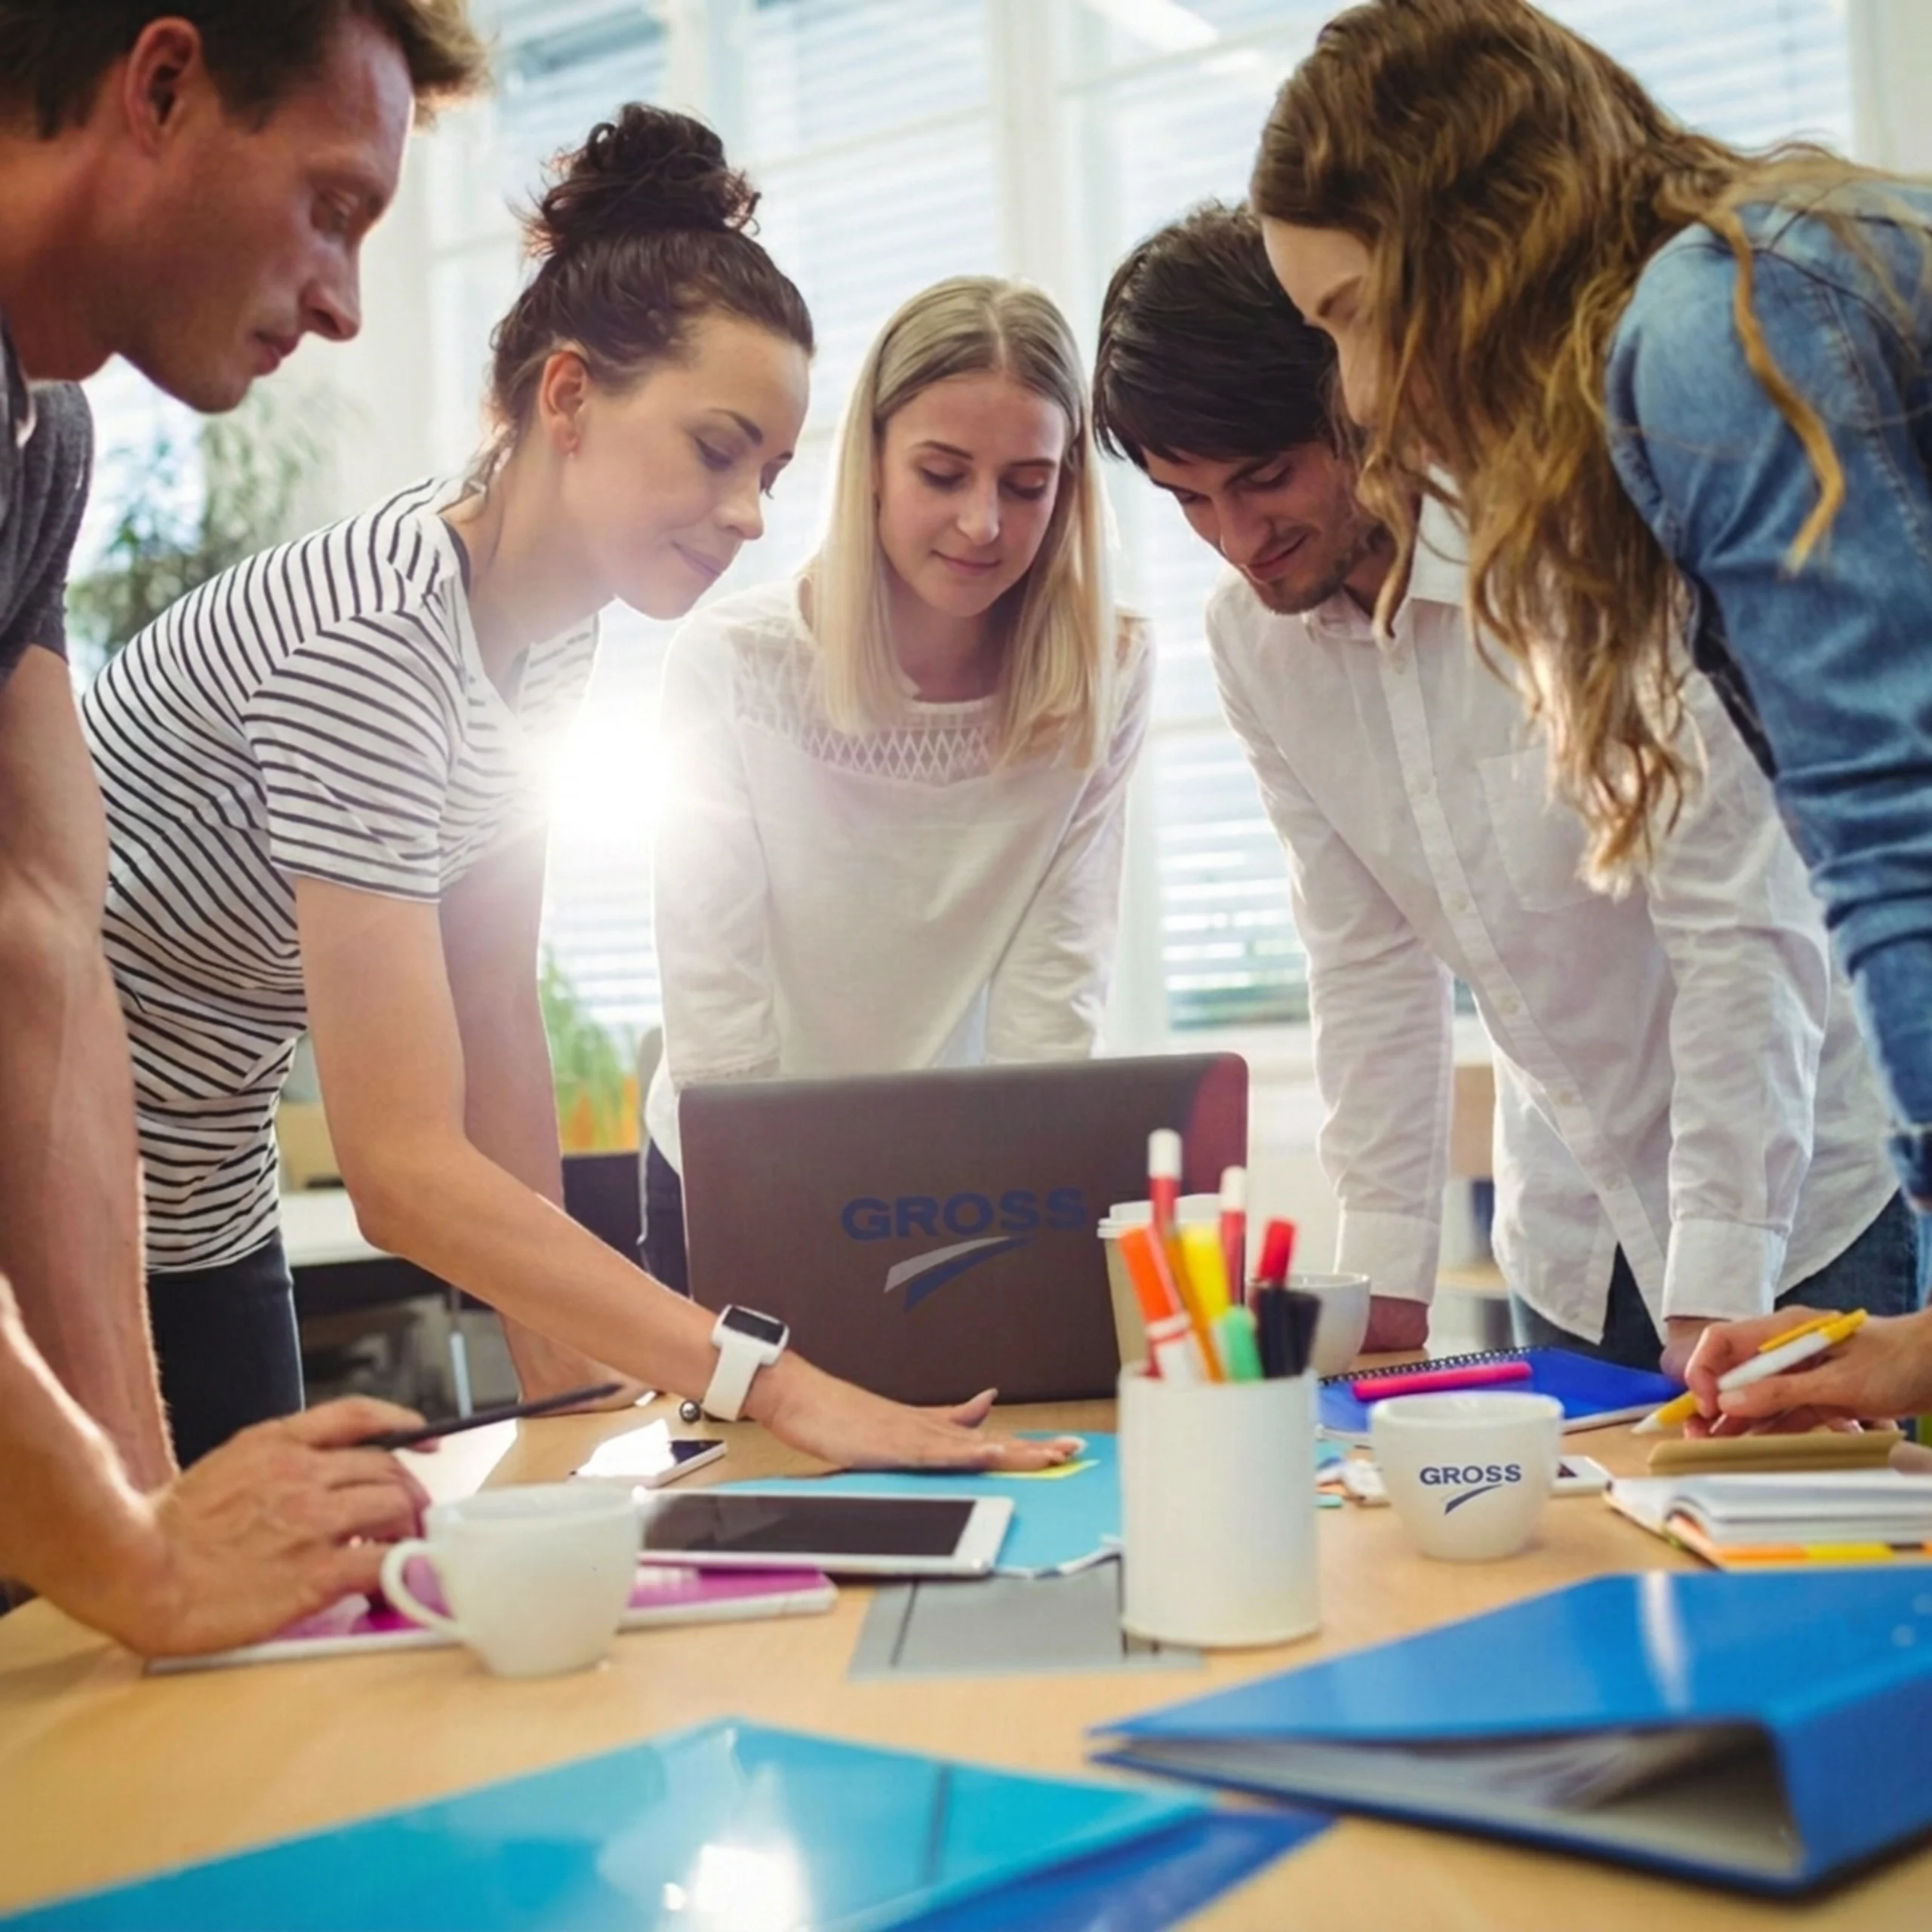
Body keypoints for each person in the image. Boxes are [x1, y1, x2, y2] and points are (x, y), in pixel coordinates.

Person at [83, 109, 1077, 1475]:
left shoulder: (555, 633)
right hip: (53, 1213)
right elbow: (402, 1168)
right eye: (717, 450)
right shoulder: (367, 641)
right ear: (567, 400)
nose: (748, 515)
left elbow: (493, 1014)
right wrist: (771, 1387)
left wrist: (576, 1393)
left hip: (203, 1203)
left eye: (773, 474)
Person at [1248, 0, 1932, 1420]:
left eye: (1357, 317)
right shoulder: (1742, 294)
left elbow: (1891, 843)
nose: (1363, 392)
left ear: (1465, 234)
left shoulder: (1714, 331)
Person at [1091, 202, 1916, 1376]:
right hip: (1572, 1237)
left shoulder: (1574, 546)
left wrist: (1718, 1281)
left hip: (1793, 1203)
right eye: (1188, 499)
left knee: (1797, 1557)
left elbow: (1738, 924)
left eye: (1264, 478)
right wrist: (1383, 1276)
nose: (1235, 537)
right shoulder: (1253, 646)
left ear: (1357, 395)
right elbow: (1366, 958)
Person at [0, 0, 486, 1651]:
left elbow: (42, 952)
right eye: (332, 209)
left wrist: (151, 1516)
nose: (346, 304)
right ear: (159, 84)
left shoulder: (35, 441)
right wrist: (139, 1559)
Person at [641, 276, 1150, 1291]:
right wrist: (785, 1234)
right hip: (735, 1166)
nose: (983, 525)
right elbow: (717, 1011)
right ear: (870, 465)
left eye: (1026, 483)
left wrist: (1002, 1223)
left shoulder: (1106, 671)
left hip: (965, 1177)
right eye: (943, 473)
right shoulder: (734, 663)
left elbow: (1053, 1004)